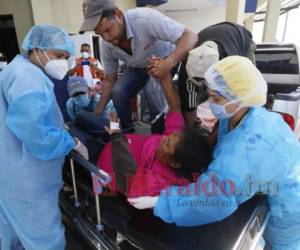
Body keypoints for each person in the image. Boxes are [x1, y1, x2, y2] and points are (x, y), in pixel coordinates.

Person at [128, 56, 300, 250]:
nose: (211, 104)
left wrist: (161, 202)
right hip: (271, 184)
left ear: (240, 97)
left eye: (216, 98)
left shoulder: (248, 147)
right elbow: (220, 146)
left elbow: (216, 198)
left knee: (279, 244)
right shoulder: (239, 114)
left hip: (289, 205)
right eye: (210, 96)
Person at [0, 24, 89, 250]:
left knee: (14, 236)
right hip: (28, 181)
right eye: (59, 55)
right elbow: (35, 133)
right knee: (45, 241)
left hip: (10, 173)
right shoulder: (27, 77)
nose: (62, 62)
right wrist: (69, 141)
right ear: (37, 49)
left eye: (66, 57)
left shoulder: (16, 70)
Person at [79, 0, 198, 132]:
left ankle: (157, 137)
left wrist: (168, 63)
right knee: (118, 91)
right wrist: (98, 112)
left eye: (108, 29)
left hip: (164, 60)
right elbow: (109, 80)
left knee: (152, 92)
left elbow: (191, 36)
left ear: (118, 14)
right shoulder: (106, 44)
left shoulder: (145, 19)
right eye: (100, 34)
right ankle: (127, 133)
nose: (106, 38)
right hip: (137, 67)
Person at [97, 73, 211, 198]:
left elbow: (128, 180)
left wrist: (116, 136)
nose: (163, 138)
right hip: (116, 140)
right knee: (84, 119)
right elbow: (175, 108)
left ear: (174, 164)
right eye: (169, 137)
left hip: (111, 166)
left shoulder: (158, 183)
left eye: (166, 144)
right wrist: (165, 76)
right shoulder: (177, 142)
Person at [164, 22, 255, 127]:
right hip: (212, 33)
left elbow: (232, 98)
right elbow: (187, 102)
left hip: (240, 37)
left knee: (245, 94)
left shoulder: (232, 62)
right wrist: (193, 126)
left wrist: (220, 127)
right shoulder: (189, 60)